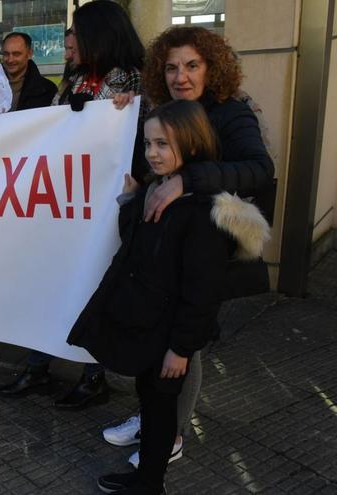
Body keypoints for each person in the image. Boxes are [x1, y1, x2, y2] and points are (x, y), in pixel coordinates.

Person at [68, 99, 269, 495]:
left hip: (167, 333)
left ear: (192, 144)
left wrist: (180, 348)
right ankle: (147, 478)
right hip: (146, 323)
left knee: (161, 409)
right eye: (148, 144)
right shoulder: (157, 190)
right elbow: (138, 240)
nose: (152, 153)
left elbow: (202, 292)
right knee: (151, 402)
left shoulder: (204, 212)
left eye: (163, 144)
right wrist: (131, 200)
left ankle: (151, 482)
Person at [103, 24, 276, 474]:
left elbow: (259, 168)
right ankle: (154, 420)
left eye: (192, 65)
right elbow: (149, 157)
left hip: (206, 243)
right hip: (167, 242)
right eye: (172, 67)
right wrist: (122, 110)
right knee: (163, 334)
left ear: (212, 67)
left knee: (186, 342)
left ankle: (172, 434)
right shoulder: (169, 109)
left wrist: (187, 180)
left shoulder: (232, 112)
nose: (181, 75)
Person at [0, 0, 146, 409]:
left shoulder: (132, 81)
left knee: (91, 285)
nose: (67, 47)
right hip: (62, 203)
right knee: (49, 285)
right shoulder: (75, 79)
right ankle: (37, 365)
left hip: (102, 208)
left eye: (75, 36)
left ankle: (92, 375)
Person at [0, 32, 58, 111]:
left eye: (16, 54)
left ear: (29, 54)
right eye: (6, 54)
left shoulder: (47, 90)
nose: (10, 60)